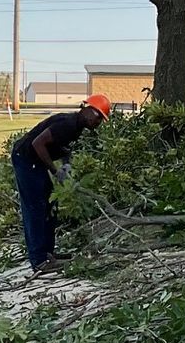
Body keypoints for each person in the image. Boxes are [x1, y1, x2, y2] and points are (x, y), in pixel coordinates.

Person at [10, 93, 111, 272]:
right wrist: (55, 171)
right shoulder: (68, 124)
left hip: (36, 162)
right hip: (25, 159)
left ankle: (49, 253)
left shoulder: (76, 127)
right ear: (88, 110)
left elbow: (64, 149)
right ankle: (39, 260)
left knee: (50, 205)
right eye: (98, 117)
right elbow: (38, 143)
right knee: (35, 208)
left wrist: (66, 165)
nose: (98, 123)